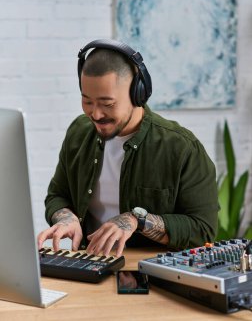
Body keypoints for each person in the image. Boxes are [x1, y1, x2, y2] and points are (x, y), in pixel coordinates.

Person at [37, 39, 219, 257]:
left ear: (138, 94)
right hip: (90, 264)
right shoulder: (78, 132)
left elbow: (204, 230)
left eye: (107, 104)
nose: (95, 114)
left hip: (150, 275)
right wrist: (67, 218)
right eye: (87, 101)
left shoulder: (181, 148)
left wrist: (137, 220)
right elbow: (57, 195)